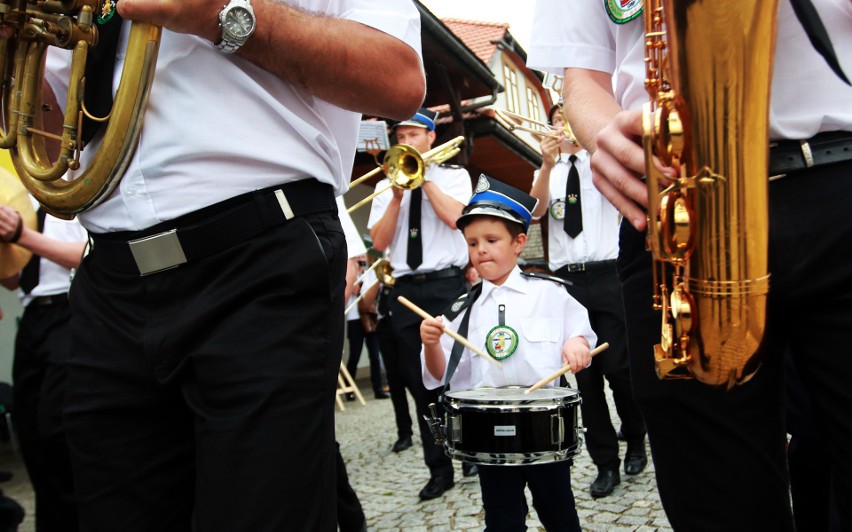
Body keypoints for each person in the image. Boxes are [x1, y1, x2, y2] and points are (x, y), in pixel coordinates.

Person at [35, 1, 425, 529]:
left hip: (260, 256)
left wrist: (217, 12)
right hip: (110, 278)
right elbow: (54, 136)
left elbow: (398, 79)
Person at [529, 0, 852, 529]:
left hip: (838, 170)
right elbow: (584, 74)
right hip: (676, 209)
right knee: (718, 505)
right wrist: (605, 136)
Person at [419, 175, 595, 531]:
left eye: (491, 240)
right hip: (488, 435)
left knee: (559, 514)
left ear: (518, 242)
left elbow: (579, 334)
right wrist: (431, 343)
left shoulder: (550, 294)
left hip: (544, 431)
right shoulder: (462, 310)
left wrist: (575, 345)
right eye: (472, 243)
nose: (480, 249)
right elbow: (439, 376)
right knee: (502, 520)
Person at [528, 104, 647, 498]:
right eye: (558, 120)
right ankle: (605, 462)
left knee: (620, 369)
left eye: (569, 119)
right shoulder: (547, 170)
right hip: (567, 282)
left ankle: (634, 438)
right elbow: (535, 212)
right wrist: (545, 166)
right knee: (585, 380)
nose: (564, 126)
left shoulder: (601, 160)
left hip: (607, 274)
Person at [368, 107, 472, 500]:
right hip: (406, 291)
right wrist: (396, 196)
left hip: (447, 286)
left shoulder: (455, 177)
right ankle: (439, 468)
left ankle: (471, 453)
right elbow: (379, 243)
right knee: (420, 385)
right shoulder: (386, 185)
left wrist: (424, 180)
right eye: (401, 136)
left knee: (458, 376)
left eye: (414, 135)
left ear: (430, 138)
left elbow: (458, 219)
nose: (406, 142)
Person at [0, 200, 87, 531]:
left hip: (69, 311)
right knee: (32, 433)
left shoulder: (72, 188)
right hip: (33, 318)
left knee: (57, 431)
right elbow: (13, 280)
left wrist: (22, 235)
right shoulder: (20, 200)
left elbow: (88, 255)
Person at [344, 257, 387, 401]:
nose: (362, 259)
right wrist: (355, 270)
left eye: (363, 257)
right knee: (354, 356)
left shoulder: (370, 273)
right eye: (359, 257)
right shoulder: (349, 272)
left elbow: (374, 292)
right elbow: (354, 290)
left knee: (375, 356)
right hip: (355, 319)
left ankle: (378, 389)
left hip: (370, 317)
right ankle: (349, 389)